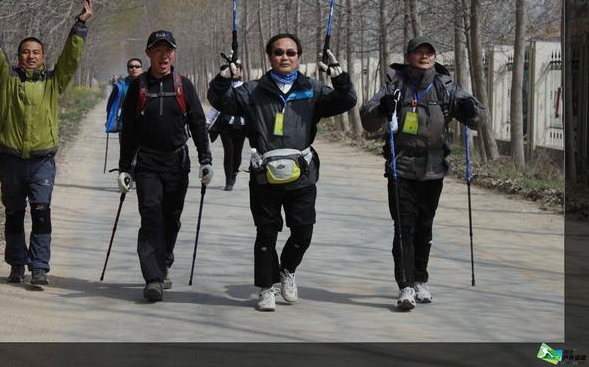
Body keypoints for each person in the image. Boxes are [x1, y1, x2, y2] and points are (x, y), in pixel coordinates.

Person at [208, 33, 357, 311]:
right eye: (278, 52)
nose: (284, 57)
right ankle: (266, 288)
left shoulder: (312, 89)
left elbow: (346, 100)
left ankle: (287, 270)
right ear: (270, 57)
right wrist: (223, 78)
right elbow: (220, 100)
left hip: (302, 174)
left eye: (290, 52)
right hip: (265, 174)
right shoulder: (252, 90)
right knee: (266, 232)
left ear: (299, 57)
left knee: (303, 231)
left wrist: (339, 77)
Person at [360, 36, 485, 310]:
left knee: (424, 227)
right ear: (408, 57)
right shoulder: (395, 85)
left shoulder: (446, 86)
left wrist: (470, 110)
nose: (425, 56)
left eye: (430, 52)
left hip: (433, 169)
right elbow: (368, 119)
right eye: (419, 52)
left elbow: (477, 118)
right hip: (401, 168)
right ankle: (405, 286)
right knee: (404, 227)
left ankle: (420, 280)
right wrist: (382, 109)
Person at [0, 0, 93, 285]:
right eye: (26, 52)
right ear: (19, 56)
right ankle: (17, 264)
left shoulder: (53, 83)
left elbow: (70, 59)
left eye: (36, 52)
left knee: (41, 214)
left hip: (42, 162)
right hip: (11, 161)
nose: (31, 56)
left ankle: (39, 267)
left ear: (43, 57)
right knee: (14, 215)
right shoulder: (8, 80)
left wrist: (79, 26)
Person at [117, 30, 213, 302]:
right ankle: (154, 278)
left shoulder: (185, 85)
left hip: (177, 162)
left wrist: (205, 159)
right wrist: (125, 167)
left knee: (171, 217)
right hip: (147, 162)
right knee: (151, 216)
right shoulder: (138, 87)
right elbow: (129, 130)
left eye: (168, 50)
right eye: (158, 50)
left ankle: (165, 259)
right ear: (149, 54)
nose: (164, 55)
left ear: (173, 53)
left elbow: (197, 124)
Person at [207, 64, 247, 191]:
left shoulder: (246, 88)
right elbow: (215, 106)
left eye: (237, 70)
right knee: (228, 152)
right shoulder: (223, 88)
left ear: (240, 72)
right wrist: (207, 122)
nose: (235, 72)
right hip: (225, 124)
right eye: (232, 70)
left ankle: (234, 173)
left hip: (241, 125)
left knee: (237, 153)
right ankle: (228, 179)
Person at [105, 58, 144, 134]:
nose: (134, 68)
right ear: (127, 70)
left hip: (144, 125)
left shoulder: (149, 84)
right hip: (125, 125)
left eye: (137, 66)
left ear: (141, 69)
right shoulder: (120, 86)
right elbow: (111, 105)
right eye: (131, 66)